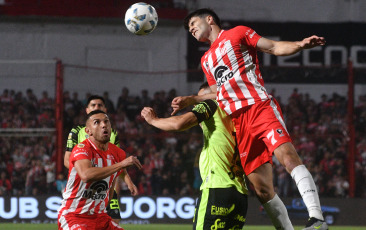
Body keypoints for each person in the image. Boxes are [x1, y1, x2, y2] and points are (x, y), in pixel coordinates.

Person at [171, 8, 328, 230]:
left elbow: (273, 46)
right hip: (239, 123)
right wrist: (191, 99)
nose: (192, 28)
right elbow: (217, 92)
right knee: (262, 190)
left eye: (194, 23)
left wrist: (300, 45)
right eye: (189, 28)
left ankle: (317, 219)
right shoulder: (206, 60)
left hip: (258, 107)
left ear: (209, 19)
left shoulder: (237, 33)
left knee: (288, 158)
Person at [141, 82, 248, 229]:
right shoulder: (239, 113)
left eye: (200, 99)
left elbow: (179, 124)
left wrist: (153, 120)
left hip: (217, 188)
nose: (196, 104)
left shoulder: (211, 104)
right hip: (240, 194)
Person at [58, 110, 142, 230]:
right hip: (74, 215)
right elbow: (86, 175)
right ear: (88, 131)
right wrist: (121, 165)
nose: (104, 125)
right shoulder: (81, 149)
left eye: (106, 122)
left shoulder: (118, 153)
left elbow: (111, 187)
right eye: (97, 122)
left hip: (100, 217)